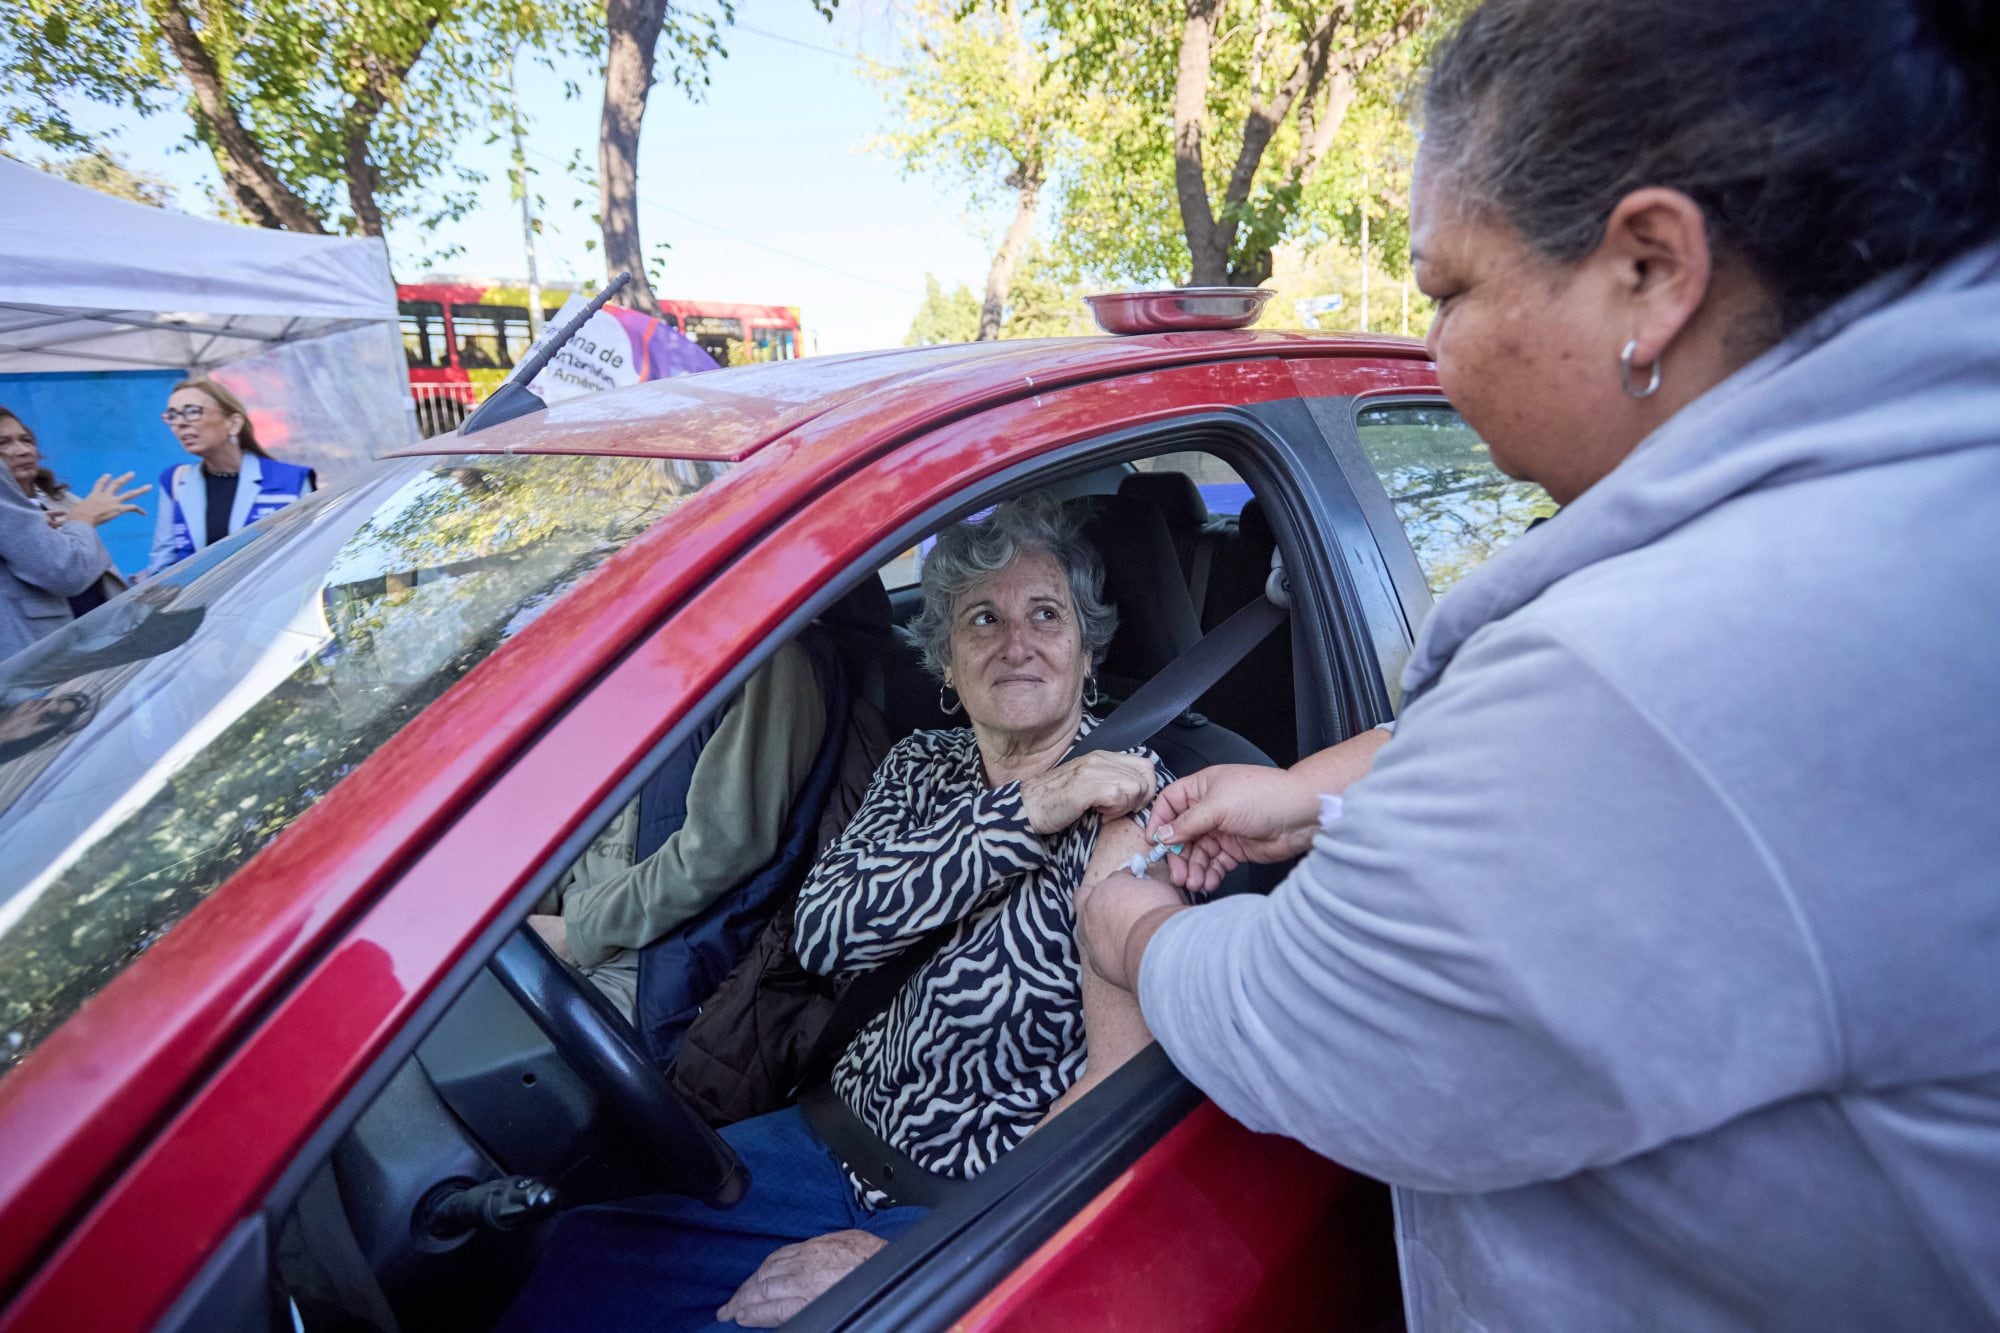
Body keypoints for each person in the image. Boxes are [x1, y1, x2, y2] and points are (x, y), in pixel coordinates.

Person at [1076, 2, 2000, 1329]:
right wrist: (1318, 802)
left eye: (1448, 291)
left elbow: (1326, 1028)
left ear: (1649, 269)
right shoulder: (1904, 521)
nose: (1435, 357)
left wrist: (1131, 927)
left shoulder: (1667, 656)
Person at [498, 496, 1172, 1331]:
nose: (1016, 643)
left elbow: (1119, 1093)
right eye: (981, 620)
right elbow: (826, 930)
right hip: (826, 1138)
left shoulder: (1130, 796)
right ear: (948, 665)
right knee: (575, 1258)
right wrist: (1026, 808)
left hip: (966, 1200)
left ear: (1085, 651)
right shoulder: (922, 763)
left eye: (1045, 614)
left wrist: (930, 1253)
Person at [522, 640, 827, 1029]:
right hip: (558, 946)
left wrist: (577, 931)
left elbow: (720, 850)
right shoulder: (640, 659)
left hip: (637, 972)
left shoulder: (762, 662)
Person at [1, 408, 149, 661]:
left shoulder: (61, 499)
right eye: (3, 443)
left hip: (107, 644)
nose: (23, 450)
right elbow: (65, 571)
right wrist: (83, 519)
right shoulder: (81, 510)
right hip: (46, 659)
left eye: (26, 439)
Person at [146, 379, 316, 577]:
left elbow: (310, 556)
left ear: (233, 423)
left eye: (192, 411)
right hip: (202, 606)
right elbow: (162, 568)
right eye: (172, 415)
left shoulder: (291, 479)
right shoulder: (174, 482)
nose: (180, 423)